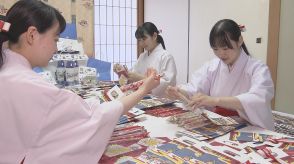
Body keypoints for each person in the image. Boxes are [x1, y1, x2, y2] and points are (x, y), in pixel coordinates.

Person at [0, 1, 159, 163]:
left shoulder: (8, 72)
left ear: (154, 36)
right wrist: (142, 87)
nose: (56, 48)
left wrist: (139, 82)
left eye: (143, 39)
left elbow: (166, 82)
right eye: (55, 39)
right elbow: (94, 117)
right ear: (32, 35)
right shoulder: (30, 86)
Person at [166, 19, 274, 130]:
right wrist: (179, 91)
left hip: (248, 126)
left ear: (240, 41)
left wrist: (215, 100)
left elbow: (258, 98)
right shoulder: (212, 66)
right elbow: (195, 89)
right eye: (215, 49)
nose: (221, 54)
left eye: (225, 48)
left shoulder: (258, 68)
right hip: (217, 123)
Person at [126, 22, 177, 97]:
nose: (141, 44)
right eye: (139, 40)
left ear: (154, 36)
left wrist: (140, 78)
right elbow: (132, 75)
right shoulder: (142, 56)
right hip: (141, 97)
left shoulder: (166, 57)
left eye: (144, 39)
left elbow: (167, 84)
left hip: (159, 101)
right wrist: (123, 73)